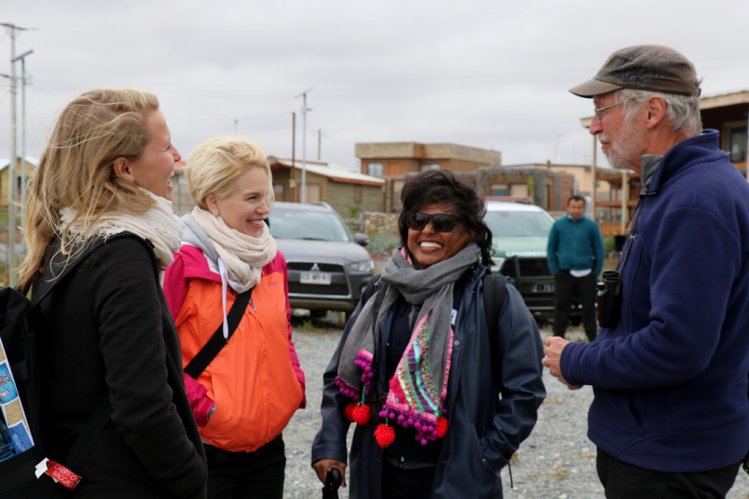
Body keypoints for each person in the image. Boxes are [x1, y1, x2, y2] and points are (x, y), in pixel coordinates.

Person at [542, 45, 749, 498]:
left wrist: (577, 359)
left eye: (603, 110)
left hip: (669, 458)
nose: (595, 125)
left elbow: (677, 346)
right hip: (661, 446)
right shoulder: (680, 188)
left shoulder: (695, 201)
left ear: (653, 110)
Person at [17, 89, 207, 498]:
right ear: (124, 168)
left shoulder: (69, 240)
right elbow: (142, 407)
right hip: (121, 482)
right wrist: (190, 476)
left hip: (75, 475)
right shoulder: (121, 254)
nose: (177, 158)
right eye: (165, 146)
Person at [311, 169, 545, 499]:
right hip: (378, 476)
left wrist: (483, 459)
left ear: (471, 232)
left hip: (455, 479)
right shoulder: (380, 292)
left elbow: (525, 392)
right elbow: (340, 378)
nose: (428, 230)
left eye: (444, 223)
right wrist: (330, 443)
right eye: (418, 220)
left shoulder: (495, 298)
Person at [163, 137, 305, 499]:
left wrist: (293, 385)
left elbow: (282, 334)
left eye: (267, 196)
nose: (265, 209)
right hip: (208, 448)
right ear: (213, 200)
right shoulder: (180, 263)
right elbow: (156, 355)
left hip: (269, 448)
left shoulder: (271, 258)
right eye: (252, 198)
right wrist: (208, 410)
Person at [546, 194, 604, 342]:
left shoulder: (591, 226)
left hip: (587, 274)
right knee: (561, 307)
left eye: (579, 207)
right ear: (568, 207)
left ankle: (593, 340)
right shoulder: (558, 225)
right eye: (573, 207)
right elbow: (551, 248)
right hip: (564, 274)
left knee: (589, 309)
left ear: (583, 208)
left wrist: (595, 272)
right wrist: (555, 270)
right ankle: (557, 339)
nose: (576, 210)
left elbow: (599, 250)